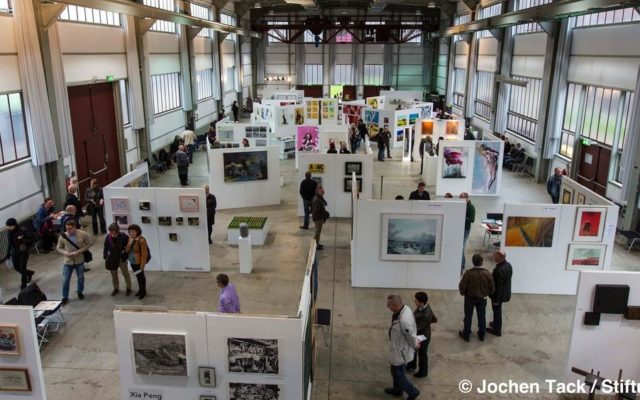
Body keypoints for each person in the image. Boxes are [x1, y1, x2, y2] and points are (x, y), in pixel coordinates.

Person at [384, 295, 421, 400]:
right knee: (394, 371)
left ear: (396, 306)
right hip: (397, 347)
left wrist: (415, 344)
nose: (387, 306)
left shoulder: (404, 320)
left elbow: (410, 335)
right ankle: (398, 390)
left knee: (399, 374)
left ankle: (413, 392)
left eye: (389, 305)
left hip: (401, 351)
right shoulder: (405, 309)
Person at [458, 254, 495, 342]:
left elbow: (462, 285)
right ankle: (482, 334)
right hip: (482, 298)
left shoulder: (468, 273)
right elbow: (492, 287)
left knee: (468, 316)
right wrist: (488, 294)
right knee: (482, 316)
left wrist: (463, 293)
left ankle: (466, 334)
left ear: (473, 262)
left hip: (469, 298)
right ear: (482, 262)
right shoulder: (487, 273)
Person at [57, 220, 93, 305]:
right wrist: (65, 253)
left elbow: (89, 243)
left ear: (75, 227)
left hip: (79, 260)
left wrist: (80, 251)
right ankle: (65, 296)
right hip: (68, 261)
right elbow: (59, 247)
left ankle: (80, 292)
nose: (68, 231)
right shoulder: (63, 236)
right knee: (65, 279)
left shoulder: (82, 234)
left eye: (70, 229)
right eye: (67, 229)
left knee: (81, 278)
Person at [406, 291, 437, 378]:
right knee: (413, 349)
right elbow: (434, 319)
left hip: (422, 337)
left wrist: (406, 329)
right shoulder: (422, 307)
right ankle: (412, 365)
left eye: (416, 300)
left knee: (422, 354)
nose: (414, 301)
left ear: (421, 302)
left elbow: (417, 328)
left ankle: (423, 372)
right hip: (419, 334)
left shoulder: (426, 315)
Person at [1, 218, 35, 289]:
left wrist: (22, 240)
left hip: (23, 251)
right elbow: (9, 244)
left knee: (22, 268)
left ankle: (23, 284)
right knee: (16, 267)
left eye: (9, 226)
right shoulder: (9, 232)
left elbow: (32, 239)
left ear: (14, 225)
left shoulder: (22, 230)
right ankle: (29, 273)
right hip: (15, 252)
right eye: (7, 226)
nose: (8, 227)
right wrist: (7, 255)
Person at [488, 250, 513, 337]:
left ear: (501, 257)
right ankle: (495, 324)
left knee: (497, 311)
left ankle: (497, 330)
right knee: (497, 311)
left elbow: (499, 287)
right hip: (505, 293)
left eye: (496, 256)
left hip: (498, 296)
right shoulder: (508, 265)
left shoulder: (499, 270)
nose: (494, 257)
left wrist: (496, 300)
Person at [103, 223, 132, 296]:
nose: (111, 233)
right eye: (110, 231)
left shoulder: (124, 237)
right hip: (112, 258)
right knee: (113, 274)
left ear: (117, 231)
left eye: (112, 231)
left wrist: (125, 255)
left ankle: (128, 288)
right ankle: (116, 288)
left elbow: (128, 247)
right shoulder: (108, 237)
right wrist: (105, 256)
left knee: (125, 273)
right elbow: (105, 247)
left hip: (121, 258)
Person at [126, 224, 149, 300]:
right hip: (132, 261)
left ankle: (143, 291)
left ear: (137, 231)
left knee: (141, 277)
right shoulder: (130, 239)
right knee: (138, 276)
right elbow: (127, 250)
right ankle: (140, 290)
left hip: (138, 262)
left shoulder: (141, 240)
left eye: (133, 232)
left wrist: (142, 265)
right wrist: (130, 243)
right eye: (130, 232)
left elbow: (144, 254)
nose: (131, 233)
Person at [460, 192, 475, 273]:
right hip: (459, 228)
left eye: (462, 198)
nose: (461, 200)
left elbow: (472, 219)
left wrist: (462, 217)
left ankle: (462, 266)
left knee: (461, 247)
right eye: (460, 198)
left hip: (465, 229)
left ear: (467, 198)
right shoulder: (461, 205)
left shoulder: (471, 207)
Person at [311, 185, 328, 250]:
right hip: (318, 219)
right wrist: (321, 218)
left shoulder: (319, 197)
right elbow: (315, 212)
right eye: (321, 191)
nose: (323, 192)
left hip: (319, 218)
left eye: (323, 191)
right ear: (317, 191)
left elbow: (324, 204)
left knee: (318, 233)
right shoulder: (316, 200)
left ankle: (317, 244)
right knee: (317, 233)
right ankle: (315, 246)